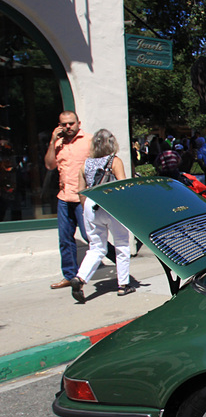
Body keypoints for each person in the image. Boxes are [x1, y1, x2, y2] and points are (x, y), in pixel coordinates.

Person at [70, 129, 131, 302]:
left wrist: (86, 209)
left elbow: (81, 191)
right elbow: (122, 186)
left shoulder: (85, 164)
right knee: (121, 244)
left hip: (91, 204)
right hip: (111, 203)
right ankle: (123, 284)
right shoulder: (114, 161)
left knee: (96, 247)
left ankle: (80, 278)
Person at [44, 111, 91, 290]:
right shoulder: (58, 143)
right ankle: (70, 276)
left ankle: (120, 265)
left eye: (71, 123)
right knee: (65, 239)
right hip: (64, 197)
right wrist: (51, 142)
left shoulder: (88, 140)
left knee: (90, 237)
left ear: (78, 123)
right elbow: (49, 165)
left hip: (83, 197)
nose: (68, 127)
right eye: (64, 124)